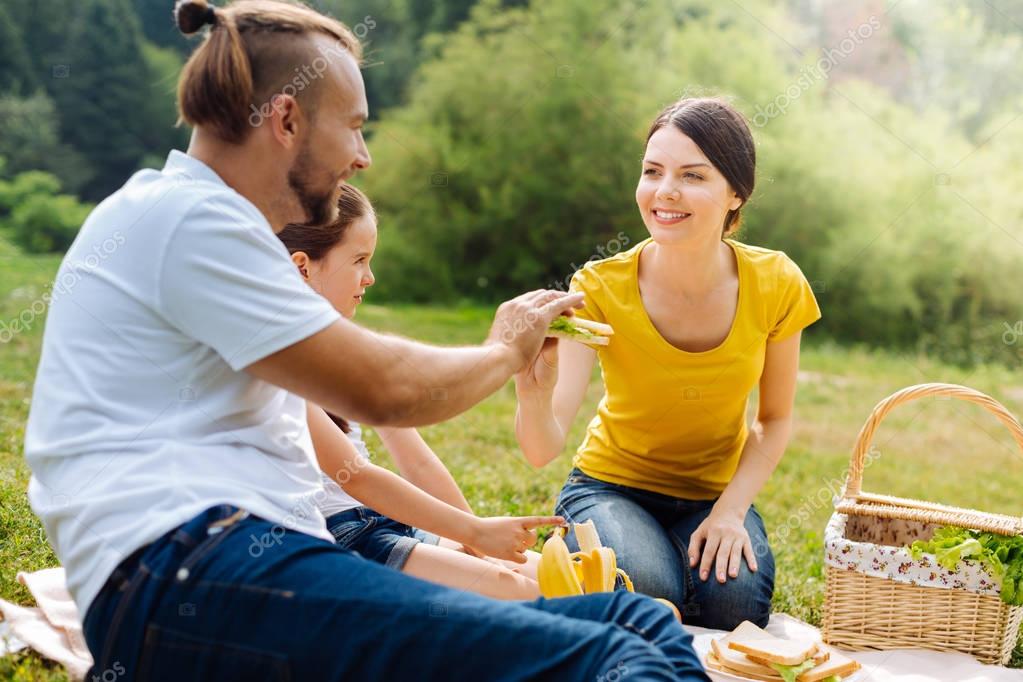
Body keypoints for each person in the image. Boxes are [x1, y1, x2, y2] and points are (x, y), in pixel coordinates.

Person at [23, 0, 709, 679]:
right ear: (286, 119)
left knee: (638, 623)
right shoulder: (189, 220)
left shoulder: (215, 224)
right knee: (614, 655)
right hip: (187, 576)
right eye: (353, 128)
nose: (363, 157)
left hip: (252, 561)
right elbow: (384, 389)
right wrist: (506, 350)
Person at [514, 97, 822, 630]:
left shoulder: (777, 283)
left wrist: (730, 513)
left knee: (736, 607)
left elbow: (773, 420)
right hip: (610, 487)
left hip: (714, 494)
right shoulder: (600, 287)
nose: (665, 192)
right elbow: (543, 448)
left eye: (692, 176)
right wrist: (532, 391)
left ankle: (658, 565)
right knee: (651, 594)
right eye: (652, 171)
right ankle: (625, 566)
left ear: (735, 194)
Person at [278, 184, 543, 599]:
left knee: (547, 575)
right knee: (514, 591)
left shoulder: (349, 351)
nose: (371, 276)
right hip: (347, 538)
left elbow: (415, 461)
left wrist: (478, 542)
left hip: (388, 522)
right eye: (359, 260)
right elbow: (357, 477)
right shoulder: (281, 361)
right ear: (303, 267)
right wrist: (473, 533)